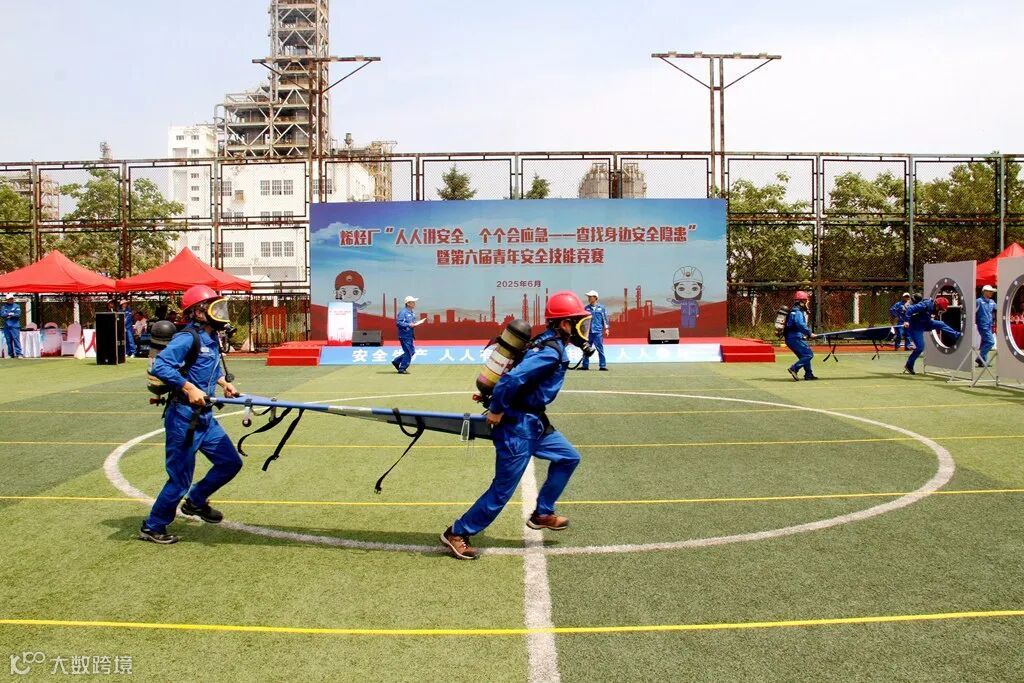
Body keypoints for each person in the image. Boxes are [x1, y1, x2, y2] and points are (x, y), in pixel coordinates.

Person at [440, 291, 590, 560]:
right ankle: (457, 532)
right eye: (580, 323)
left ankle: (543, 513)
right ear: (565, 324)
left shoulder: (548, 343)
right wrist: (497, 409)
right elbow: (512, 380)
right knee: (502, 490)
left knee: (568, 457)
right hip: (517, 426)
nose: (584, 329)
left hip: (535, 423)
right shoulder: (549, 352)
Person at [139, 284, 242, 544]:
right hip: (184, 418)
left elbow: (204, 367)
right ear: (197, 312)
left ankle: (196, 501)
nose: (220, 312)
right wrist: (188, 387)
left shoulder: (211, 338)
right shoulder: (187, 338)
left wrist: (223, 383)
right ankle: (153, 526)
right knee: (180, 479)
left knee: (230, 462)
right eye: (213, 307)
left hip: (205, 417)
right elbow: (161, 366)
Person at [902, 296, 962, 375]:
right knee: (920, 347)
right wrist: (906, 321)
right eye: (940, 309)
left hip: (925, 323)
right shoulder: (925, 305)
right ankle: (909, 365)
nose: (940, 311)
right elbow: (910, 309)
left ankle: (956, 336)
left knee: (941, 324)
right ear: (937, 305)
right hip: (915, 327)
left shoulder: (933, 306)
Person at [784, 291, 818, 381]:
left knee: (804, 356)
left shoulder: (793, 310)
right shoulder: (797, 311)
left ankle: (808, 374)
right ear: (801, 301)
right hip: (795, 338)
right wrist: (809, 333)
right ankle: (794, 368)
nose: (807, 303)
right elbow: (800, 324)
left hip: (791, 338)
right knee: (808, 354)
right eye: (806, 301)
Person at [391, 295, 424, 374]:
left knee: (411, 351)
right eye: (413, 302)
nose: (414, 303)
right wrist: (408, 325)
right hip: (404, 335)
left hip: (409, 335)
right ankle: (402, 368)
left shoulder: (411, 313)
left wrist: (415, 323)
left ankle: (396, 361)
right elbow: (399, 323)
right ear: (408, 303)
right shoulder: (403, 312)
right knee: (409, 351)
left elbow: (411, 323)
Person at [581, 290, 610, 371]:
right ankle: (585, 365)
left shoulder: (601, 308)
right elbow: (583, 321)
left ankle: (602, 365)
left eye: (590, 297)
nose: (589, 298)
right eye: (588, 297)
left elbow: (605, 319)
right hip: (588, 333)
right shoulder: (586, 308)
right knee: (586, 349)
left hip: (598, 332)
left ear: (595, 298)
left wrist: (607, 329)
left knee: (600, 349)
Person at [976, 284, 997, 367]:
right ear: (984, 292)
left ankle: (982, 361)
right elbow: (973, 311)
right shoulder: (978, 301)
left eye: (992, 291)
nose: (992, 293)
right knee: (990, 342)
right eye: (990, 291)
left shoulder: (992, 302)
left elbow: (998, 308)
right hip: (982, 325)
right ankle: (980, 358)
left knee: (985, 342)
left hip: (989, 325)